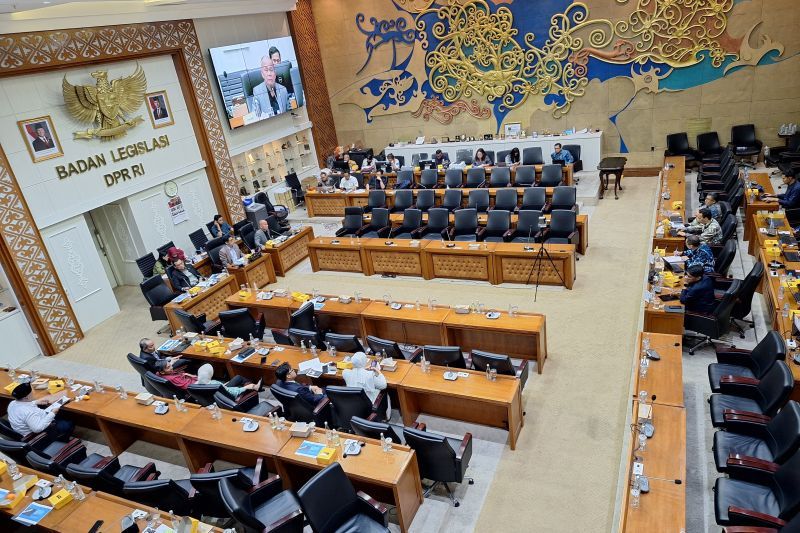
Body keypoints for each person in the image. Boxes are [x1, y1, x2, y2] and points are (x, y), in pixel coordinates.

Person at [7, 382, 74, 440]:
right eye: (32, 392)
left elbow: (24, 404)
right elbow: (37, 429)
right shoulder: (28, 412)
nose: (33, 392)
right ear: (26, 398)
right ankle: (62, 440)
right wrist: (53, 413)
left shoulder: (12, 403)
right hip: (38, 434)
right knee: (69, 423)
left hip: (30, 424)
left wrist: (36, 402)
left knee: (61, 413)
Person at [342, 352, 389, 419]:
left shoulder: (345, 373)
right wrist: (378, 371)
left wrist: (363, 369)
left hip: (353, 404)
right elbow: (383, 385)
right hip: (368, 405)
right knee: (384, 393)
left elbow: (356, 373)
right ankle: (386, 417)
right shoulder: (369, 375)